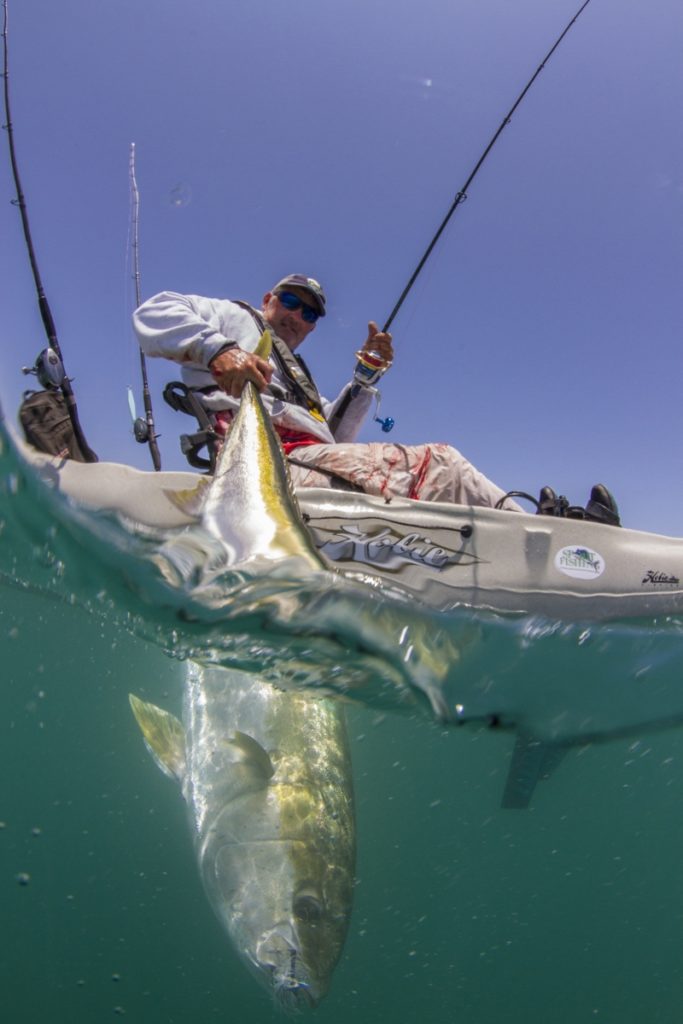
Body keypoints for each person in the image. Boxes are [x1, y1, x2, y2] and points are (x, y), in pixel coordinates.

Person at [133, 274, 620, 524]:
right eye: (291, 301)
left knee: (426, 468)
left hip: (309, 460)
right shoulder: (229, 316)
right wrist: (220, 350)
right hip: (261, 466)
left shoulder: (296, 372)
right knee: (443, 465)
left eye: (311, 314)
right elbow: (154, 311)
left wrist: (365, 375)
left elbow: (335, 439)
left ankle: (536, 536)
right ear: (268, 299)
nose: (299, 316)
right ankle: (547, 539)